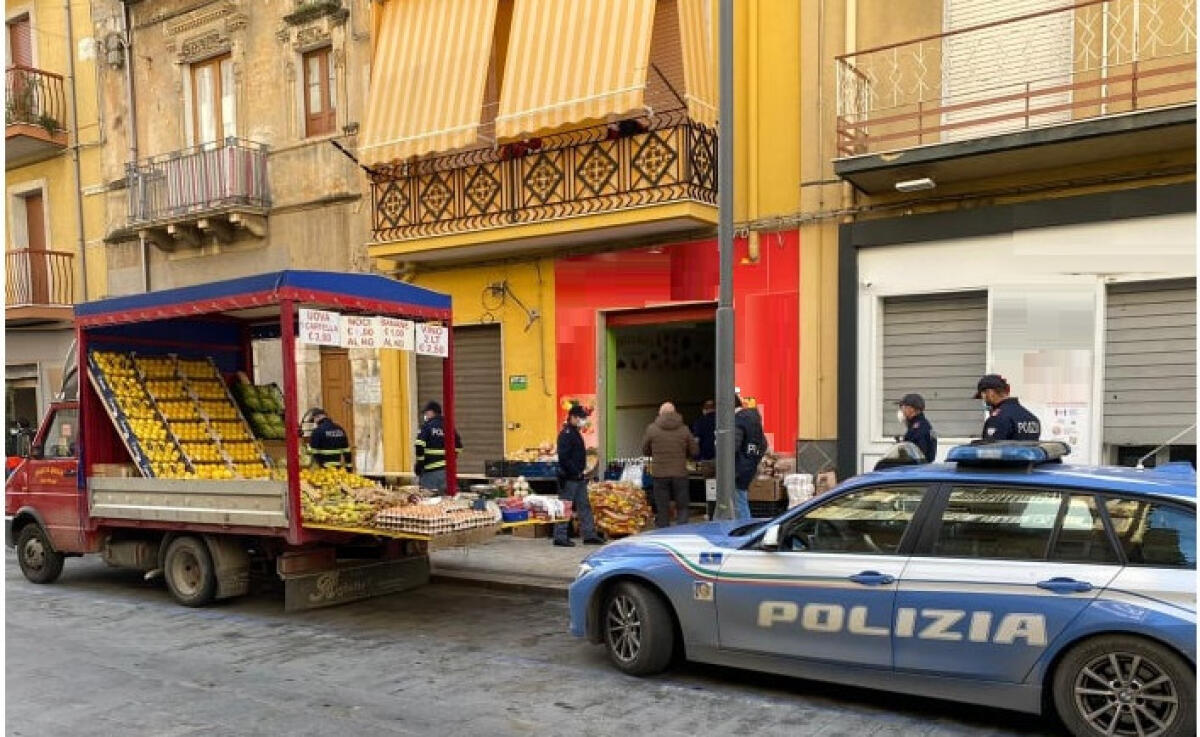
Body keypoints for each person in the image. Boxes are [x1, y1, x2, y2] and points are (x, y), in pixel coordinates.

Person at [553, 404, 603, 548]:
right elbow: (564, 457)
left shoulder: (575, 432)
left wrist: (582, 471)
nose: (583, 420)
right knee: (565, 506)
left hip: (578, 477)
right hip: (569, 477)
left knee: (584, 506)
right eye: (581, 418)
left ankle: (589, 535)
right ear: (573, 417)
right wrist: (575, 472)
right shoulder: (566, 434)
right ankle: (560, 536)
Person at [643, 402, 699, 527]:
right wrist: (685, 455)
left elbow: (645, 450)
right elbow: (695, 450)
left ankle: (664, 531)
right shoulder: (684, 429)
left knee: (662, 507)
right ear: (675, 413)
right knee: (682, 505)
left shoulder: (652, 429)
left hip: (660, 474)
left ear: (660, 413)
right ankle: (682, 529)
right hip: (680, 473)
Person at [975, 374, 1042, 442]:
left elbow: (991, 449)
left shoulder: (997, 419)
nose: (984, 399)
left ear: (990, 393)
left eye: (982, 394)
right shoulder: (1032, 418)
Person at [414, 400, 463, 492]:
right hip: (447, 472)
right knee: (445, 502)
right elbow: (459, 447)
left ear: (432, 412)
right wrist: (449, 460)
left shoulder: (427, 426)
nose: (425, 415)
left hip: (430, 473)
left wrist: (420, 464)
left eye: (426, 413)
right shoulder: (449, 426)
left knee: (428, 502)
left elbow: (419, 445)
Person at [733, 396, 768, 520]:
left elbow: (733, 446)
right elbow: (764, 444)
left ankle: (744, 530)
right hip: (749, 466)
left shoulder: (737, 420)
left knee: (739, 502)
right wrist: (753, 460)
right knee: (741, 499)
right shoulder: (753, 419)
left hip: (738, 468)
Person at [897, 393, 937, 463]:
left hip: (917, 469)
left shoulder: (918, 428)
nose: (902, 411)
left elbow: (918, 454)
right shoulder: (922, 425)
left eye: (903, 407)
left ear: (912, 409)